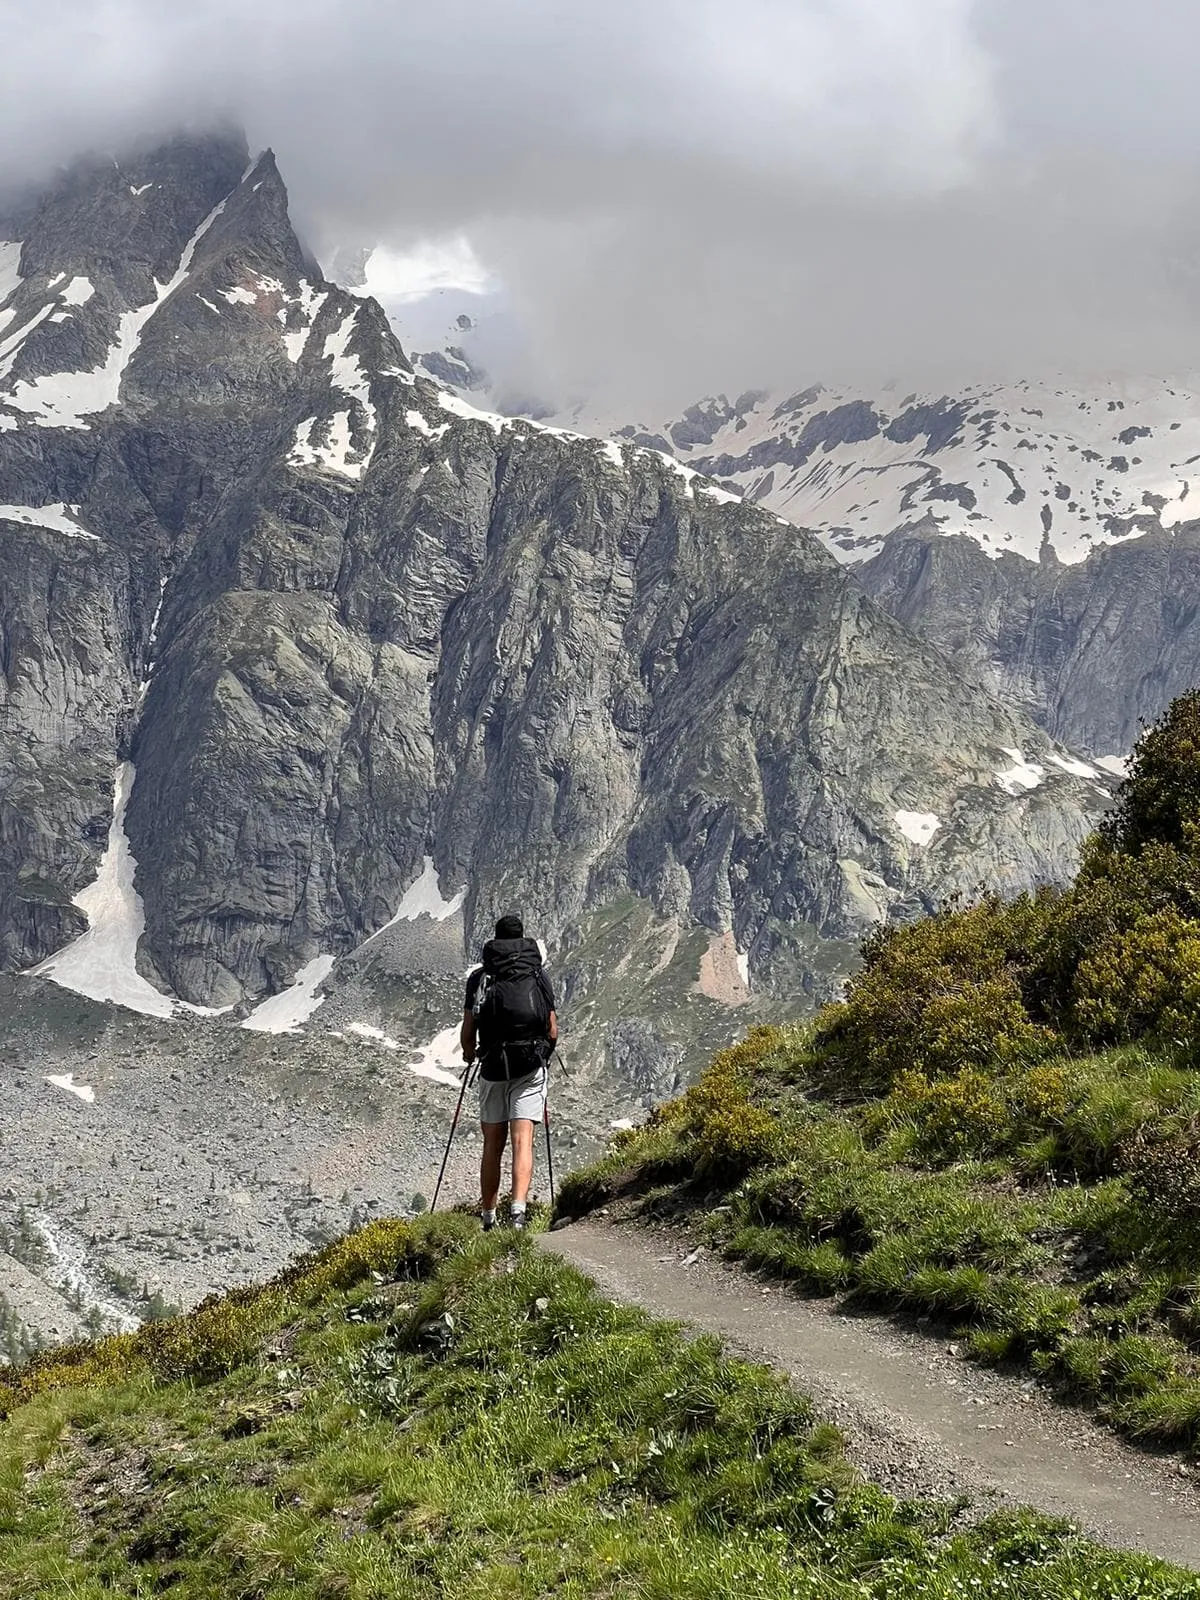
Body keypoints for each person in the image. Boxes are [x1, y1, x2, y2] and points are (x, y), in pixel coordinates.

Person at [461, 913, 557, 1231]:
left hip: (492, 1066)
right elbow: (552, 1030)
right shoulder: (537, 975)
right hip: (529, 1065)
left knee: (492, 1144)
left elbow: (468, 1028)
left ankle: (488, 1217)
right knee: (522, 1140)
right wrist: (543, 1054)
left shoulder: (480, 978)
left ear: (495, 940)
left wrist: (469, 1054)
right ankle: (517, 1213)